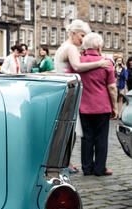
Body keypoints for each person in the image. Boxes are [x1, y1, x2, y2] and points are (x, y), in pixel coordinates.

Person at [55, 19, 112, 174]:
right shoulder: (72, 48)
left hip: (70, 94)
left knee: (79, 134)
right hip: (75, 95)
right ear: (73, 33)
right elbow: (77, 67)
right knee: (75, 133)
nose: (82, 40)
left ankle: (77, 165)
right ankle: (67, 163)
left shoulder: (63, 47)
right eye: (81, 35)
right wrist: (100, 63)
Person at [67, 33, 117, 177]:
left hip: (83, 106)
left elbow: (69, 80)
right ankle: (100, 168)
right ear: (99, 46)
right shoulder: (106, 62)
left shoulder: (78, 62)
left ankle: (87, 168)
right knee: (101, 138)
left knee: (87, 138)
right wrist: (115, 107)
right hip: (102, 106)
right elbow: (112, 88)